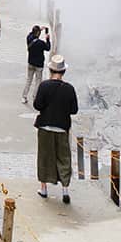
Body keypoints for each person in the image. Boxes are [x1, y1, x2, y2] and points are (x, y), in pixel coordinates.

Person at [33, 54, 78, 203]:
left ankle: (44, 188)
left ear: (51, 70)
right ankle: (65, 190)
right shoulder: (69, 89)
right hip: (62, 127)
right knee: (64, 158)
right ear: (64, 71)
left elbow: (37, 105)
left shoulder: (44, 86)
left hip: (45, 126)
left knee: (45, 157)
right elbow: (74, 110)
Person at [22, 25, 50, 104]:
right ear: (38, 33)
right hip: (39, 65)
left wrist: (38, 30)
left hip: (30, 63)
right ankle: (35, 97)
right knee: (38, 81)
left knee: (29, 80)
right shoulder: (41, 43)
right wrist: (48, 39)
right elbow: (48, 48)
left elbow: (30, 34)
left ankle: (24, 97)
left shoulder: (29, 38)